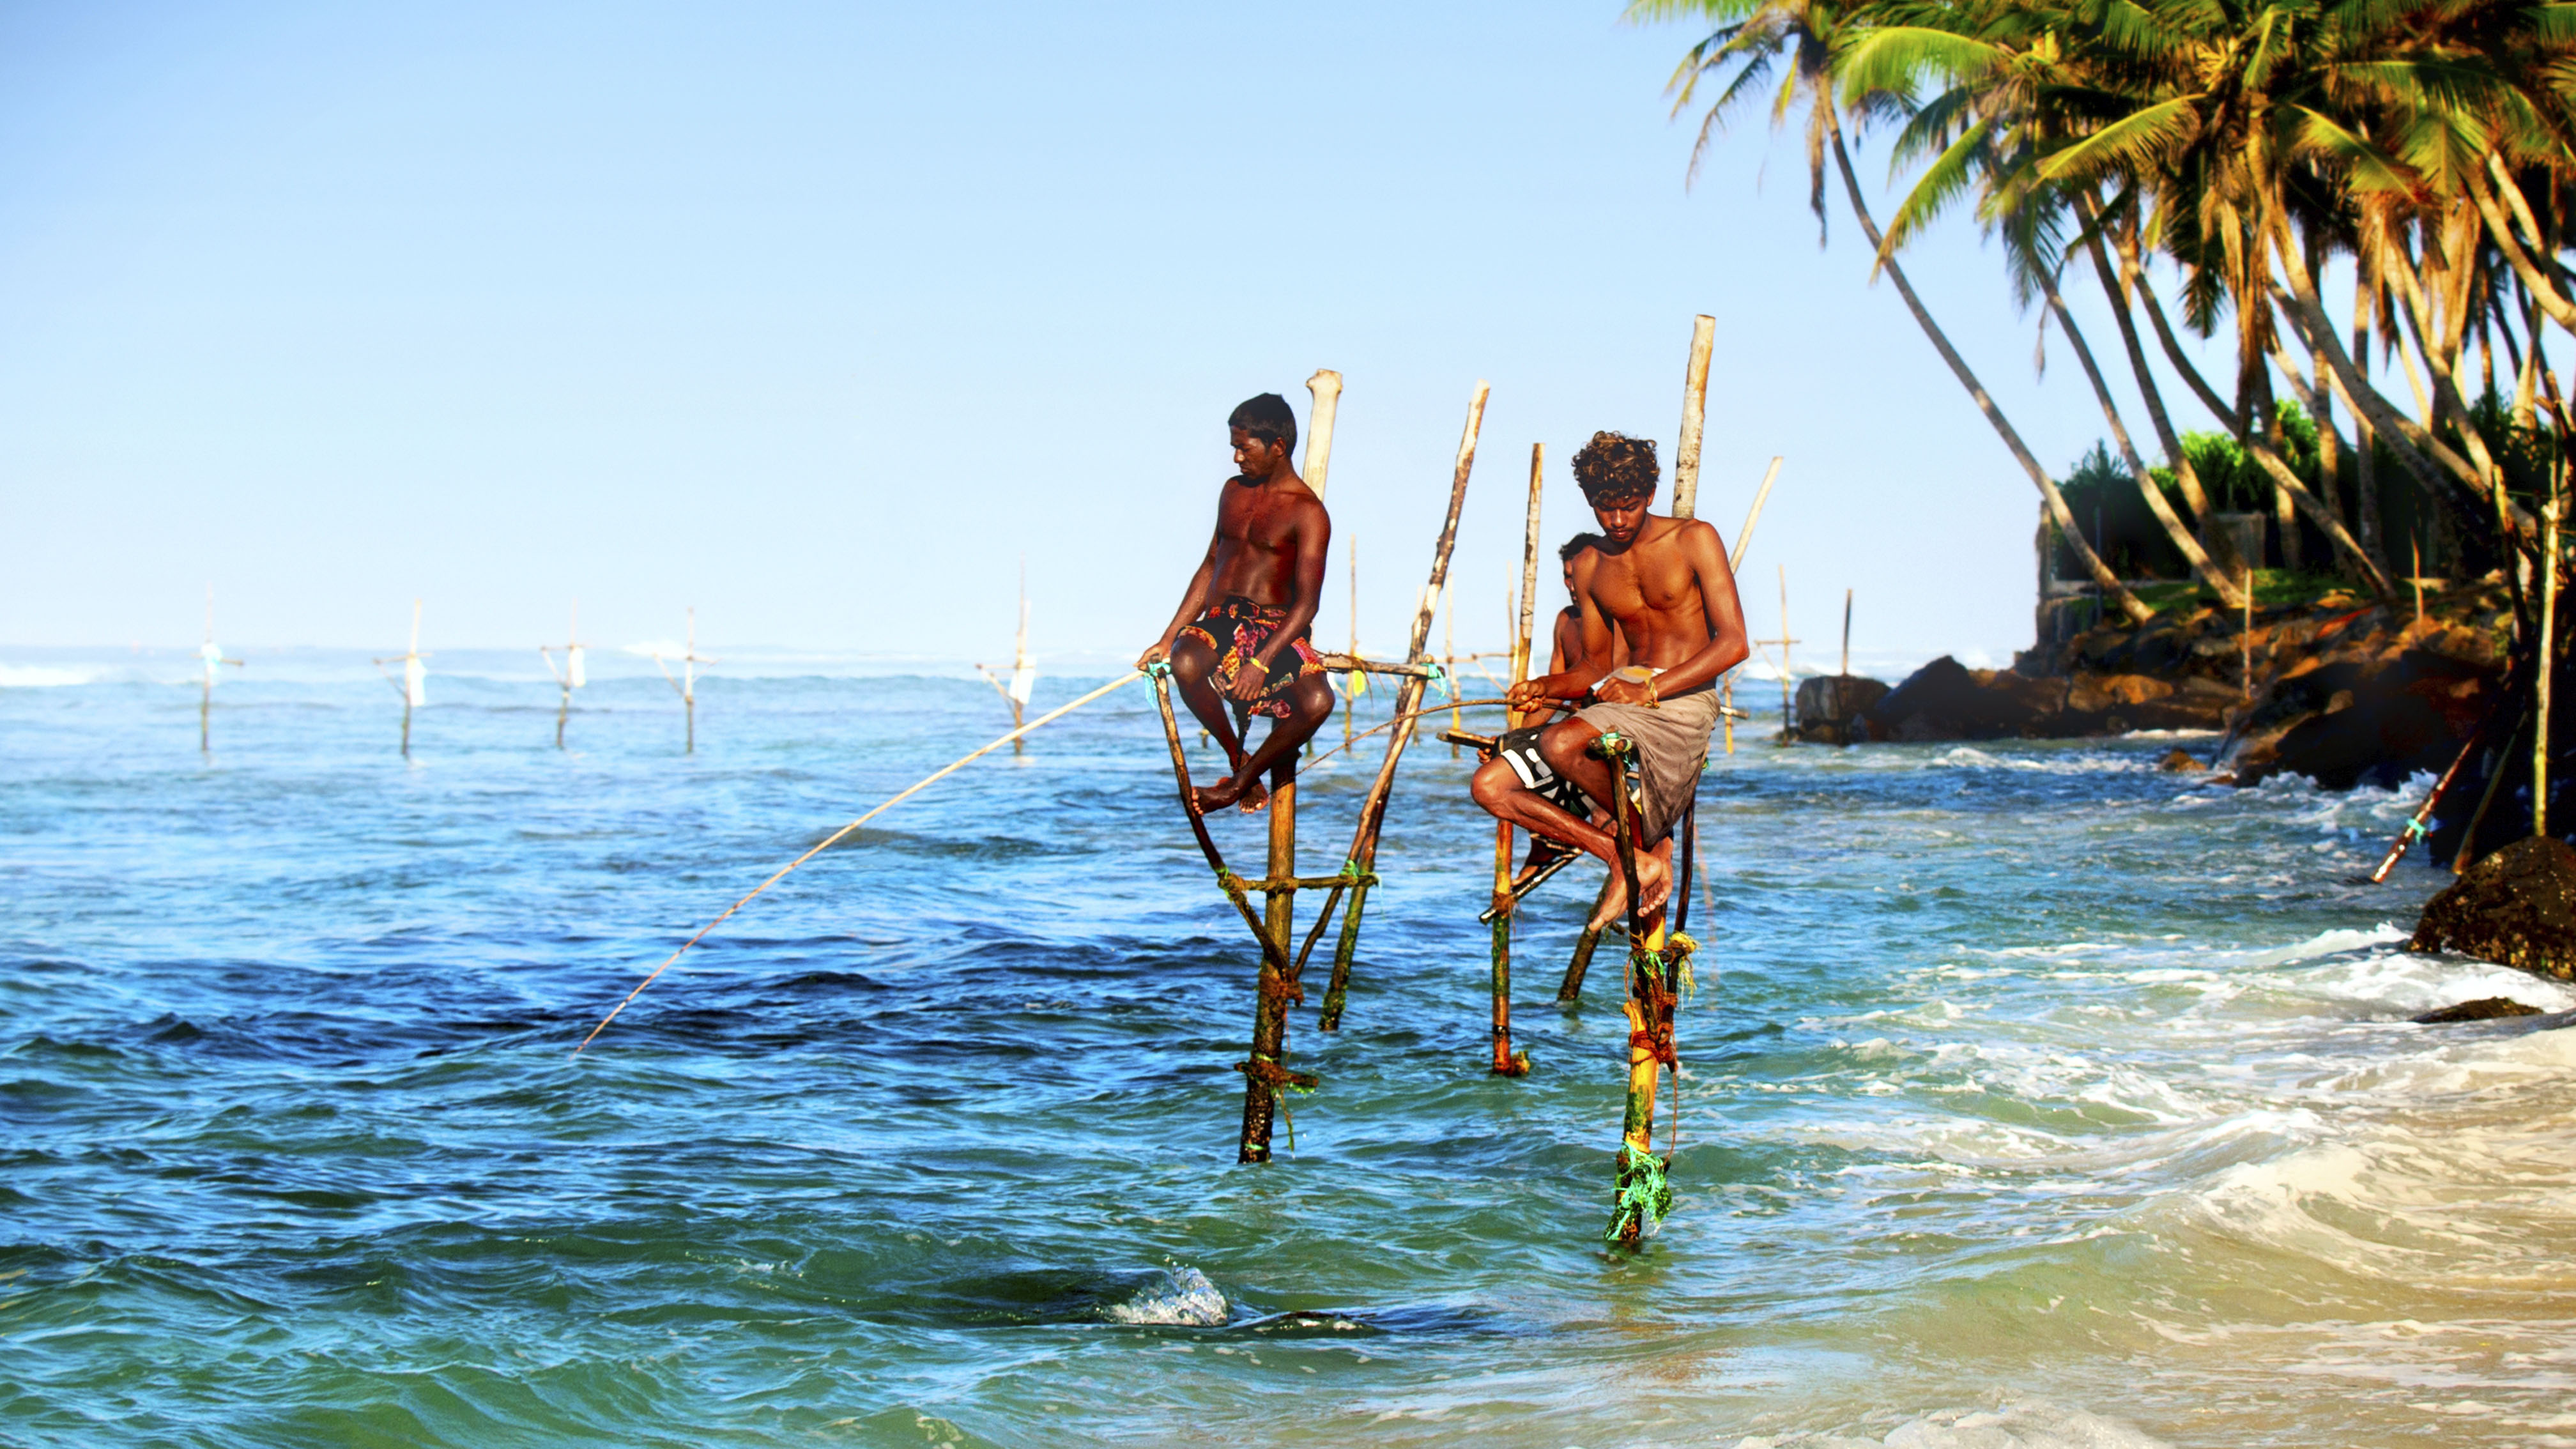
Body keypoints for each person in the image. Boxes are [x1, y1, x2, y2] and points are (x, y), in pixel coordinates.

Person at [1472, 431, 1747, 927]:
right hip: (1624, 699)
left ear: (1651, 493)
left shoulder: (1694, 539)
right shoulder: (1590, 563)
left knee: (1560, 745)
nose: (1618, 520)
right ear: (1589, 501)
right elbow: (1595, 669)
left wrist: (1651, 689)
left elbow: (1733, 643)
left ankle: (1637, 845)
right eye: (1605, 508)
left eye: (1630, 505)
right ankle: (1627, 856)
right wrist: (1545, 686)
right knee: (1490, 786)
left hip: (1680, 700)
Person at [1137, 394, 1335, 814]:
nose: (1236, 458)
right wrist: (1168, 637)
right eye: (1234, 447)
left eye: (1244, 448)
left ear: (1277, 447)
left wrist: (1261, 661)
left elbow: (1307, 605)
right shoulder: (1232, 493)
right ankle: (1237, 757)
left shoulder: (1309, 513)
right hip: (1223, 619)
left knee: (1319, 702)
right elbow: (1211, 565)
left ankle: (1239, 784)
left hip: (1274, 626)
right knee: (1184, 663)